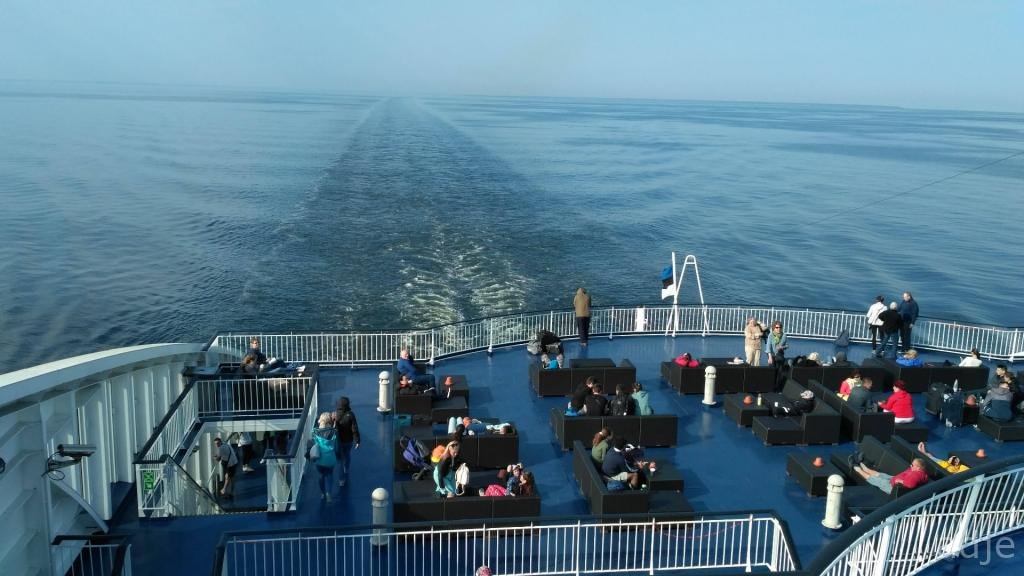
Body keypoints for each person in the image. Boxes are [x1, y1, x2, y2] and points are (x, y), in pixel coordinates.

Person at [853, 458, 929, 494]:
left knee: (876, 479)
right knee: (879, 474)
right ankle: (865, 469)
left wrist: (900, 480)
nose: (910, 465)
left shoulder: (916, 475)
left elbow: (910, 484)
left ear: (918, 468)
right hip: (893, 479)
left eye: (912, 465)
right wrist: (897, 479)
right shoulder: (918, 471)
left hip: (892, 486)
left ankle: (858, 469)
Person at [333, 396, 360, 487]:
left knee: (339, 460)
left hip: (338, 442)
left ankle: (341, 480)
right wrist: (357, 440)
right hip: (348, 441)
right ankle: (346, 468)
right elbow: (354, 429)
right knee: (347, 454)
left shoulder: (335, 415)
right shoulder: (351, 415)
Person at [311, 412, 338, 501]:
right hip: (330, 458)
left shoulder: (316, 432)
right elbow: (336, 444)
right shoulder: (333, 432)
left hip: (319, 458)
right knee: (329, 475)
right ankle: (328, 493)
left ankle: (322, 493)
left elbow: (313, 442)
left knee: (321, 475)